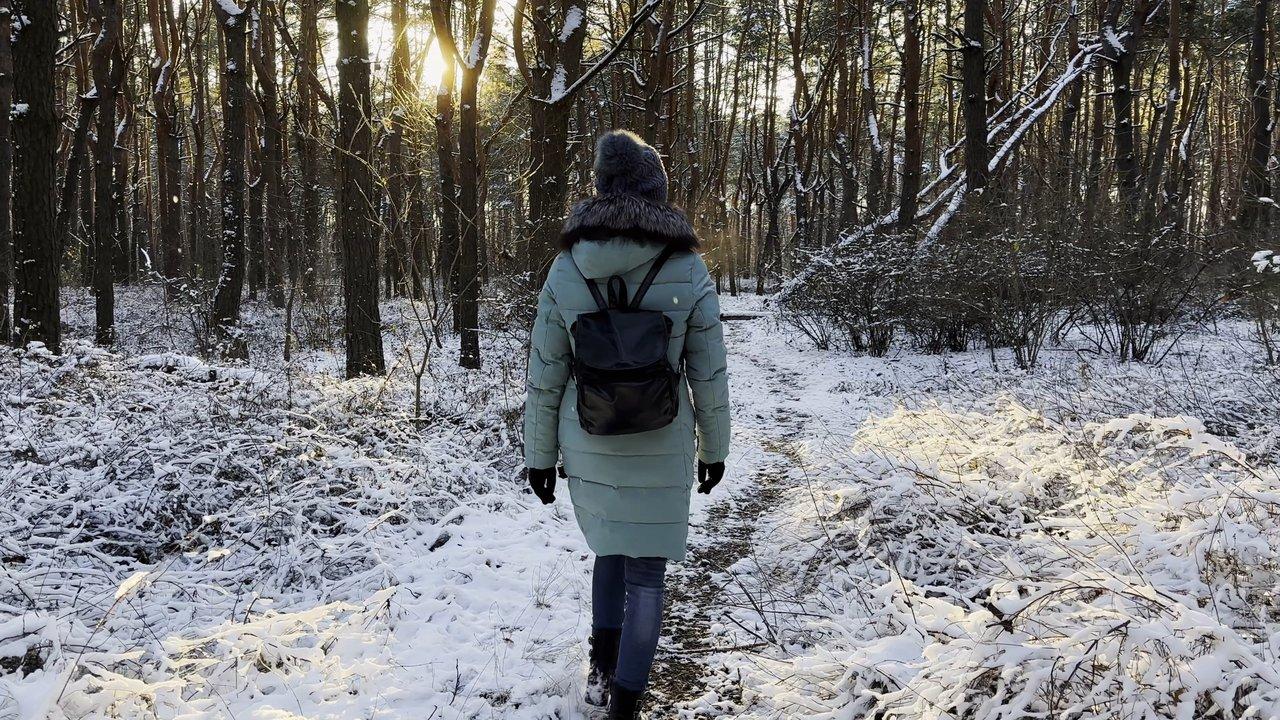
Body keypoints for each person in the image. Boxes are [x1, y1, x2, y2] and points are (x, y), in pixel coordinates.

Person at [523, 129, 731, 718]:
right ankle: (624, 707)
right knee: (646, 572)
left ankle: (601, 668)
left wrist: (538, 457)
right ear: (654, 192)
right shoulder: (686, 267)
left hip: (586, 437)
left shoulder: (567, 267)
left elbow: (545, 374)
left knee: (610, 550)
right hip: (662, 440)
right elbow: (709, 374)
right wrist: (714, 448)